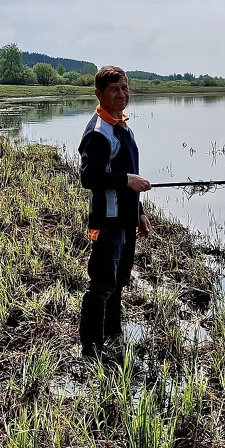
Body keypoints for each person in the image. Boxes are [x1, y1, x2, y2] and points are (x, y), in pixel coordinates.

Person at [78, 66, 152, 359]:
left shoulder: (122, 125)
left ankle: (113, 334)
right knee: (101, 284)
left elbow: (128, 174)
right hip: (107, 221)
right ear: (99, 94)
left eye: (124, 88)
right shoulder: (99, 133)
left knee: (119, 280)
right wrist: (126, 180)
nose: (121, 94)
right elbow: (89, 178)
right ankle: (91, 349)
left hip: (125, 218)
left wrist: (139, 212)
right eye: (113, 89)